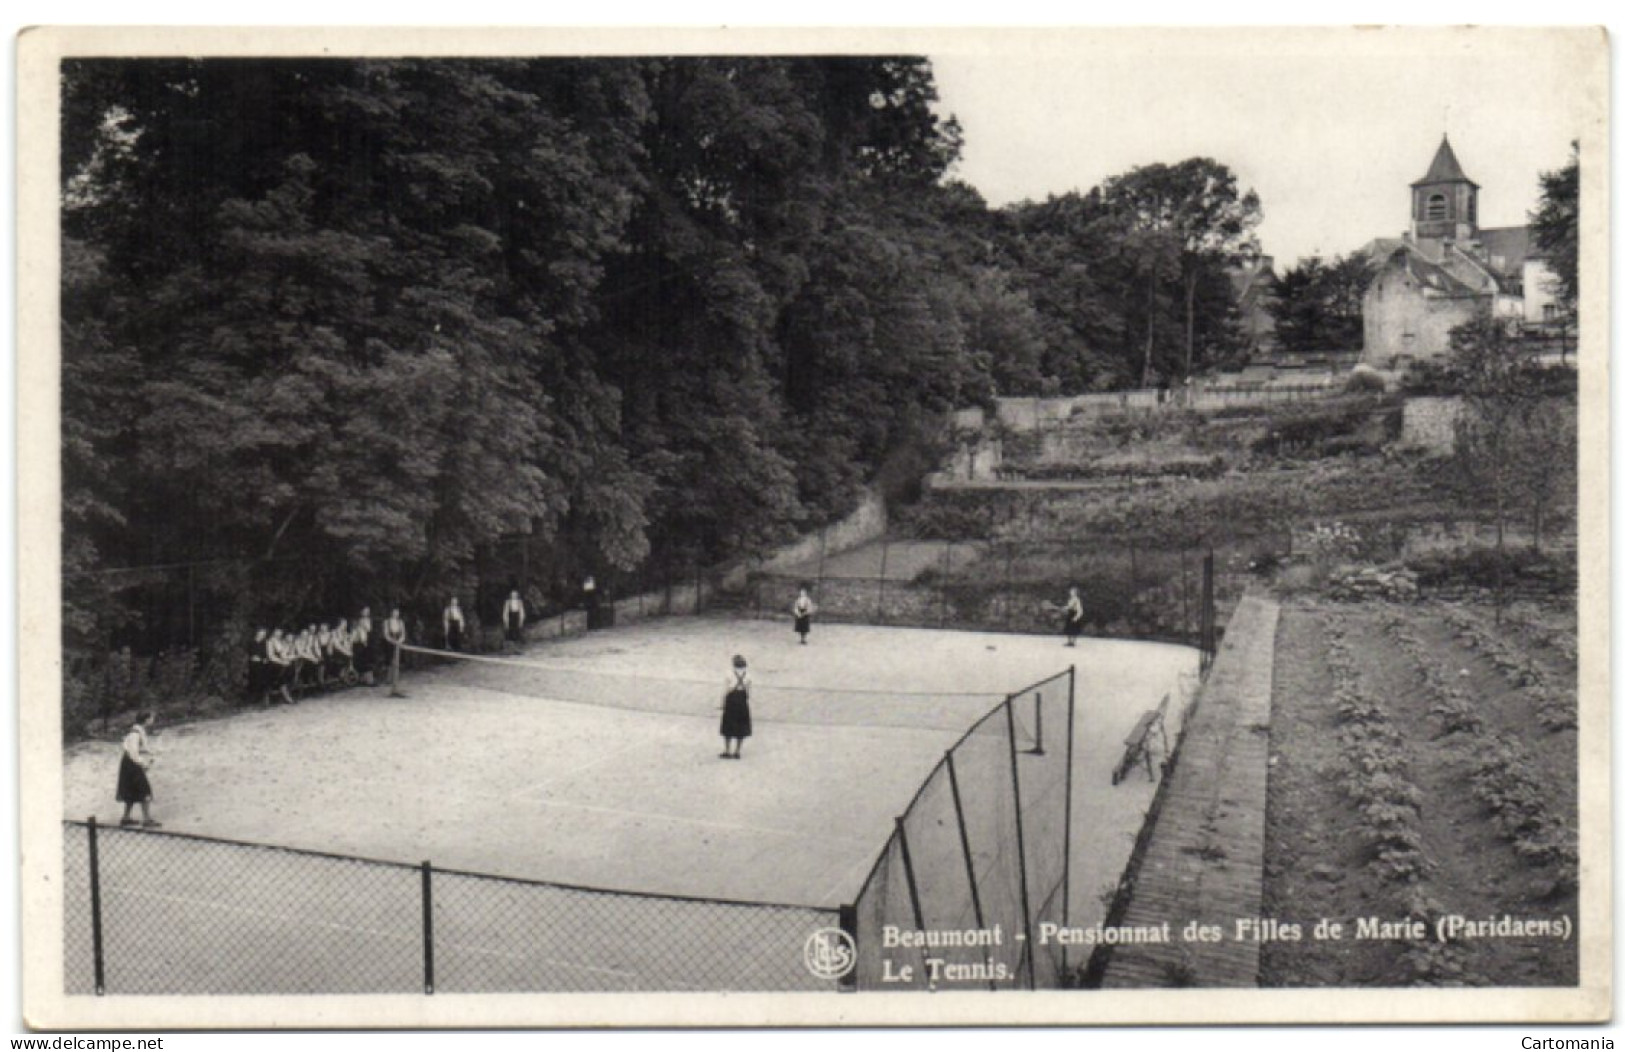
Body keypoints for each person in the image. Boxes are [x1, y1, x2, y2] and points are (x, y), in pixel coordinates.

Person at [116, 710, 160, 828]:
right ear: (146, 720)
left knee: (131, 789)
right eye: (151, 718)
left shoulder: (137, 731)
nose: (152, 720)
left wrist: (150, 752)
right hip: (131, 764)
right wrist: (144, 764)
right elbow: (133, 753)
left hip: (129, 763)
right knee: (144, 789)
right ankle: (147, 820)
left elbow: (132, 748)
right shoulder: (135, 733)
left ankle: (126, 818)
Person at [719, 655, 752, 760]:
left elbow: (725, 690)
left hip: (731, 699)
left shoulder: (729, 674)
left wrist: (722, 703)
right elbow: (749, 692)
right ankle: (737, 751)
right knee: (741, 726)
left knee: (728, 725)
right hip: (742, 700)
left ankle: (727, 750)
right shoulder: (748, 676)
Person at [266, 628, 296, 705]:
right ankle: (286, 696)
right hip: (273, 663)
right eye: (277, 632)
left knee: (290, 667)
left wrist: (287, 659)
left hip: (282, 661)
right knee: (283, 669)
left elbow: (283, 654)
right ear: (273, 632)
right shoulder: (270, 641)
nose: (279, 634)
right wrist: (282, 662)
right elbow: (271, 656)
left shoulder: (281, 641)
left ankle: (286, 689)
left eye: (280, 632)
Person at [383, 607, 408, 697]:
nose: (396, 613)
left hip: (398, 642)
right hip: (390, 642)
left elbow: (403, 634)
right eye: (394, 611)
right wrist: (392, 641)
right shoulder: (387, 622)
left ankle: (396, 679)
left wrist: (400, 641)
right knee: (390, 660)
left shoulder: (400, 622)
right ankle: (389, 679)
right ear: (391, 612)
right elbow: (386, 634)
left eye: (397, 612)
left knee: (397, 661)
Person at [352, 607, 375, 685]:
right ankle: (362, 679)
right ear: (361, 612)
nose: (366, 613)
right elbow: (355, 631)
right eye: (365, 611)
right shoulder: (357, 621)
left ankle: (368, 679)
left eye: (368, 611)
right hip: (359, 642)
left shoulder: (369, 620)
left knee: (368, 660)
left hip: (367, 641)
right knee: (361, 660)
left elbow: (369, 630)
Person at [246, 627, 268, 704]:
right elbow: (252, 655)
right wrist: (261, 658)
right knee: (255, 677)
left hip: (262, 663)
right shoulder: (252, 642)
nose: (262, 635)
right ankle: (253, 698)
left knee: (264, 676)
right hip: (253, 664)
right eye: (261, 633)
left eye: (264, 634)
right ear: (257, 633)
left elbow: (265, 654)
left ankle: (262, 697)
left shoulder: (264, 643)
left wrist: (263, 658)